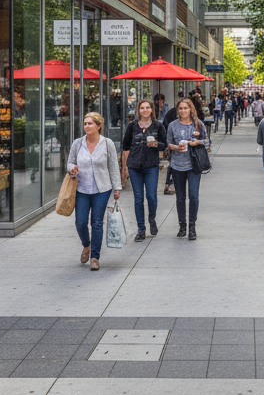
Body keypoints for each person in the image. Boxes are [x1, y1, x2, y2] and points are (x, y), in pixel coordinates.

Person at [66, 112, 121, 269]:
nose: (87, 126)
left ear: (99, 126)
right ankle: (86, 245)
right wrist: (72, 169)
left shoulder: (107, 143)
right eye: (85, 124)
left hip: (102, 189)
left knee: (96, 223)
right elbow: (70, 162)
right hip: (82, 189)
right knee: (80, 222)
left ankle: (95, 257)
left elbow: (113, 166)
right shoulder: (78, 143)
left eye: (90, 123)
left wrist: (117, 188)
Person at [121, 98, 167, 242]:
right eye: (142, 108)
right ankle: (141, 228)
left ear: (152, 110)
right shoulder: (132, 126)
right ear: (138, 110)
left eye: (147, 108)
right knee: (138, 198)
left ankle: (151, 219)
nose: (145, 110)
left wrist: (156, 144)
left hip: (151, 166)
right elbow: (125, 146)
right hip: (134, 166)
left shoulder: (158, 126)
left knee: (152, 197)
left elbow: (164, 145)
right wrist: (124, 168)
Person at [165, 98, 208, 239]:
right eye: (181, 108)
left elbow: (207, 142)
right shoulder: (172, 125)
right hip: (177, 165)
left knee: (194, 196)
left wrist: (197, 142)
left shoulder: (198, 124)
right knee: (180, 197)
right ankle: (182, 225)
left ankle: (192, 225)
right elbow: (169, 143)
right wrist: (176, 147)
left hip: (194, 165)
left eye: (185, 108)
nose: (183, 111)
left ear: (191, 109)